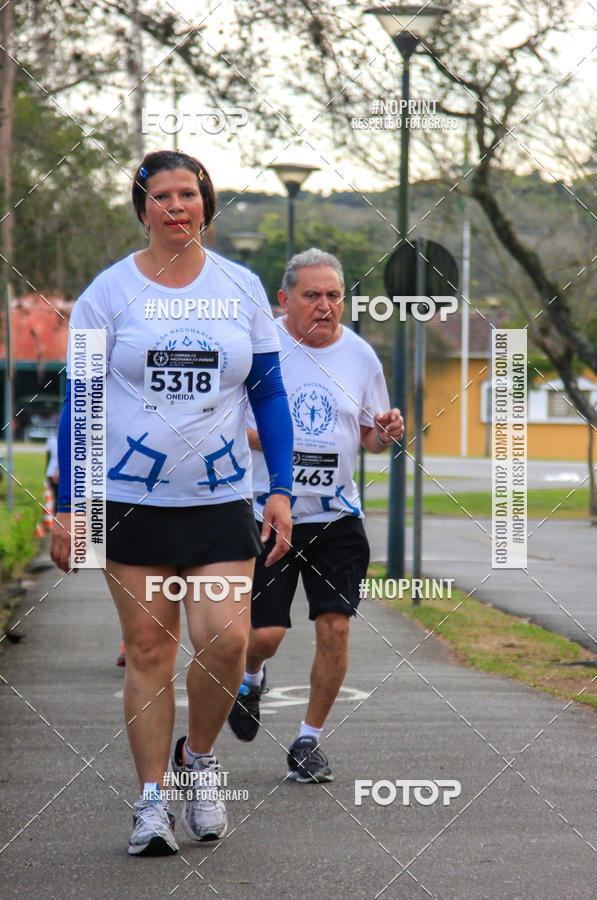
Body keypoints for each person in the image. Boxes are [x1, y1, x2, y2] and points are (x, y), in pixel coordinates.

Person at [50, 150, 293, 855]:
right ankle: (151, 802)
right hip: (128, 502)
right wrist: (71, 504)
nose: (177, 206)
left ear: (206, 207)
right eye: (163, 196)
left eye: (189, 194)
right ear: (143, 208)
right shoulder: (109, 293)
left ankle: (202, 762)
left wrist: (277, 488)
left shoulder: (241, 288)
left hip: (219, 502)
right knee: (152, 649)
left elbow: (270, 393)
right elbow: (81, 400)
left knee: (225, 639)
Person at [227, 248, 404, 782]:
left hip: (337, 517)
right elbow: (227, 426)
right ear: (284, 300)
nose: (325, 306)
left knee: (335, 629)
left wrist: (388, 431)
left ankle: (308, 742)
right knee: (265, 636)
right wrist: (282, 442)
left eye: (334, 296)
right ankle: (251, 678)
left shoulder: (361, 356)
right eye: (312, 296)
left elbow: (370, 436)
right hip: (268, 513)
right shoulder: (259, 349)